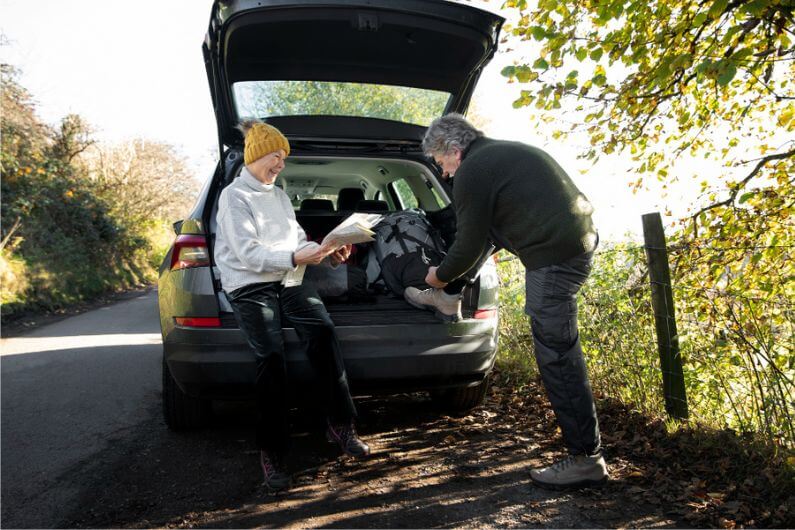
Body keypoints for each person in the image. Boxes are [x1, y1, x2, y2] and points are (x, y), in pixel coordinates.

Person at [405, 113, 607, 489]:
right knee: (558, 346)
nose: (444, 173)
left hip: (553, 257)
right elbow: (486, 237)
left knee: (558, 354)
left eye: (441, 162)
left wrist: (439, 276)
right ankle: (447, 301)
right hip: (575, 243)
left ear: (455, 149)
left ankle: (586, 458)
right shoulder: (501, 154)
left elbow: (466, 244)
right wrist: (451, 288)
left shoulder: (473, 170)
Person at [214, 121, 370, 493]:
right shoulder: (234, 197)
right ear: (255, 156)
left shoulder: (279, 195)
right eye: (276, 156)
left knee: (323, 331)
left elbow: (296, 237)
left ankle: (340, 424)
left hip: (288, 278)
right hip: (250, 285)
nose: (281, 164)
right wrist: (295, 255)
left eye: (284, 158)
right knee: (270, 355)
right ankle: (272, 451)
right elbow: (248, 254)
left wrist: (327, 253)